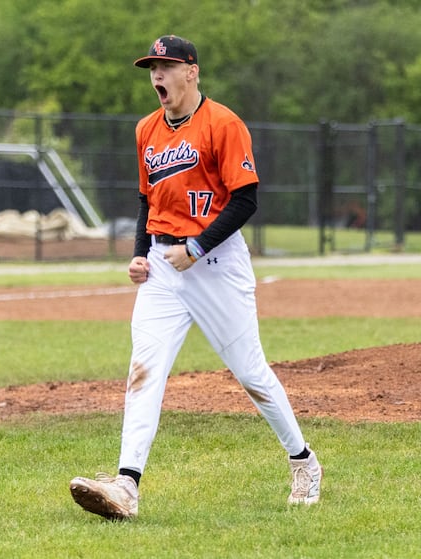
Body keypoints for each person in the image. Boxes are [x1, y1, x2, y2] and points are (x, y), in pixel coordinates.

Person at [69, 35, 322, 520]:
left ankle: (303, 460)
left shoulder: (222, 124)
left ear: (192, 71)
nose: (157, 76)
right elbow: (149, 201)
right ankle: (126, 486)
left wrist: (199, 245)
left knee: (250, 372)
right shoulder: (147, 129)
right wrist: (142, 255)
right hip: (164, 268)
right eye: (152, 67)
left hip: (217, 264)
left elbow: (246, 199)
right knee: (144, 369)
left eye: (165, 66)